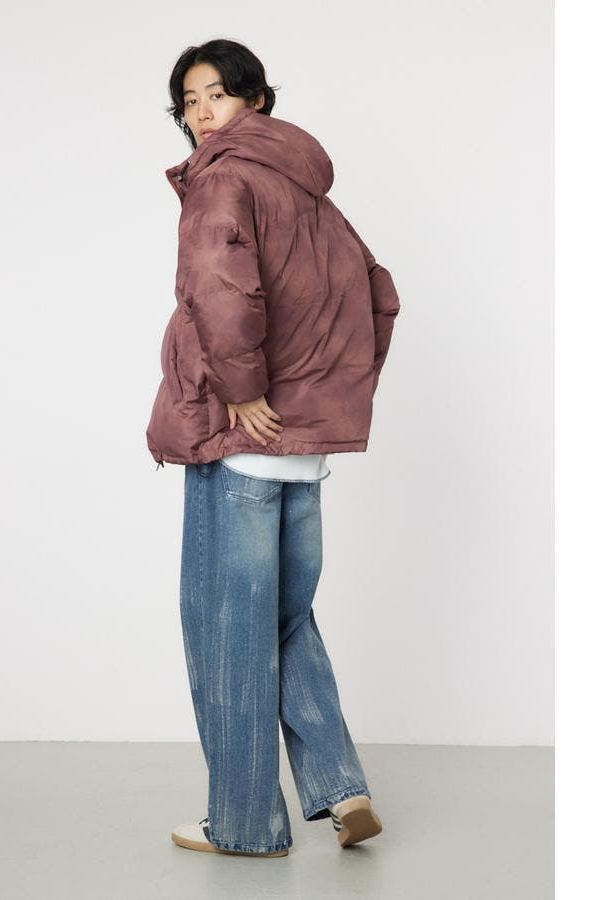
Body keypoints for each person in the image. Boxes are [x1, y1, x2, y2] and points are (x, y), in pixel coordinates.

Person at [147, 38, 400, 858]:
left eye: (216, 95)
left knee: (229, 632)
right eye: (188, 102)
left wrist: (246, 388)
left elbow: (222, 290)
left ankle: (246, 823)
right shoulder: (308, 188)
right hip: (303, 456)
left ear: (254, 99)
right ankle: (341, 785)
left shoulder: (223, 178)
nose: (201, 114)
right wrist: (320, 401)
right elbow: (377, 294)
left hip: (240, 446)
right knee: (285, 620)